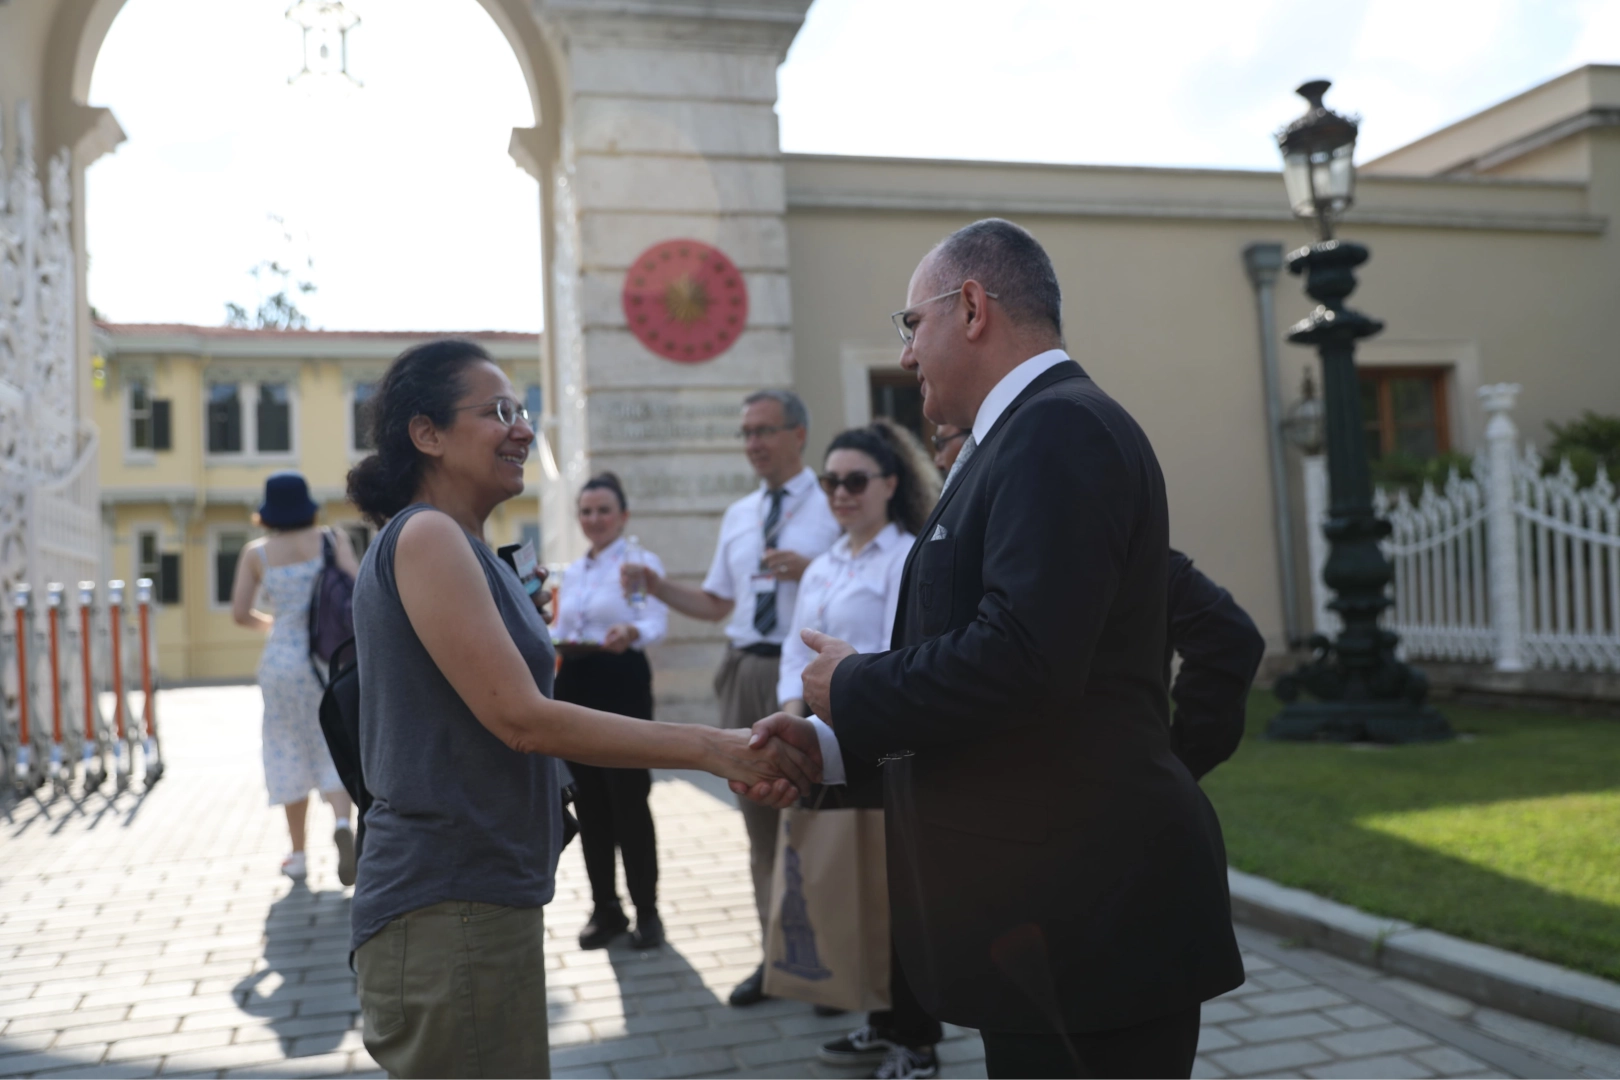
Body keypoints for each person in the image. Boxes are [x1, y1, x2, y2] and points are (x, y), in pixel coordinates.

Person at [745, 219, 1246, 1080]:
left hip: (1086, 921)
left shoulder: (1059, 431)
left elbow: (1021, 659)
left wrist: (850, 685)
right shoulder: (1017, 440)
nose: (906, 355)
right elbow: (995, 679)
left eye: (911, 325)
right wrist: (832, 747)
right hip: (1047, 920)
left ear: (971, 306)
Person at [343, 340, 811, 1080]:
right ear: (426, 434)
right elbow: (522, 719)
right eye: (497, 411)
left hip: (479, 892)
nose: (522, 429)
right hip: (448, 900)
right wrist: (712, 748)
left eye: (521, 409)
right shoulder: (429, 536)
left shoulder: (466, 544)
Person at [621, 388, 841, 1007]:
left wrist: (812, 568)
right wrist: (657, 586)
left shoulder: (833, 503)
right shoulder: (742, 514)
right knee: (759, 822)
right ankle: (776, 960)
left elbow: (861, 571)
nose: (754, 444)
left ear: (798, 435)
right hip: (744, 670)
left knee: (817, 821)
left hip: (805, 674)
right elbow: (719, 604)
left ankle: (827, 961)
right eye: (746, 432)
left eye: (765, 431)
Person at [772, 420, 947, 1080]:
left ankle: (919, 1043)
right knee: (851, 891)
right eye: (830, 482)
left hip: (885, 749)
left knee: (899, 902)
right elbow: (796, 652)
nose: (840, 493)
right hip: (823, 745)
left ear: (891, 484)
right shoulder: (823, 565)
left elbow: (901, 657)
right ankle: (880, 1023)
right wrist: (792, 721)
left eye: (854, 481)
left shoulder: (908, 557)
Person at [555, 471, 670, 950]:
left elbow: (654, 620)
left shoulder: (638, 564)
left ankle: (647, 910)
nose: (594, 519)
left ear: (623, 515)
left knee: (628, 799)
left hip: (620, 681)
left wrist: (630, 631)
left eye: (604, 510)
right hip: (575, 682)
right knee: (588, 802)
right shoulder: (573, 571)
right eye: (586, 511)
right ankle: (606, 909)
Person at [231, 471, 360, 885]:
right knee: (333, 743)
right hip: (329, 659)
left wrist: (276, 623)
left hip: (282, 664)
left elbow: (239, 613)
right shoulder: (331, 539)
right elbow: (358, 589)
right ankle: (343, 825)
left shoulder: (257, 553)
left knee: (287, 749)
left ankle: (299, 855)